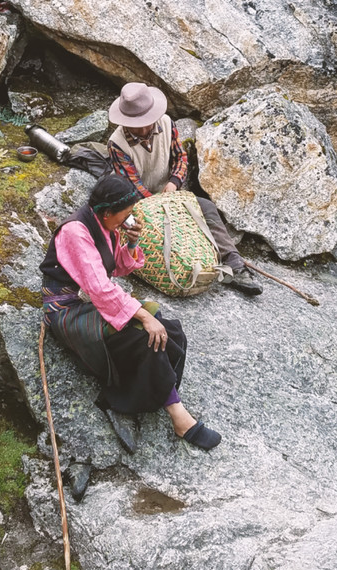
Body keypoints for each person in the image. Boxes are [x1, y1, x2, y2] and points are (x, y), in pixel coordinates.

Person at [39, 173, 222, 452]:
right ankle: (176, 415)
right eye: (124, 216)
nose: (128, 220)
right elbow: (100, 288)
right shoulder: (76, 232)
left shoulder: (105, 224)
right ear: (107, 211)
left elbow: (116, 268)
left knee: (169, 330)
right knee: (143, 338)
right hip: (68, 309)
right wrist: (142, 316)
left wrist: (131, 244)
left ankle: (161, 392)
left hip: (90, 302)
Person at [107, 82, 263, 296]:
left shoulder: (166, 123)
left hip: (171, 192)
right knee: (144, 232)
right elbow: (131, 185)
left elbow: (180, 157)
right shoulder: (117, 143)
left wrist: (173, 183)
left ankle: (235, 265)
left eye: (147, 123)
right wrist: (161, 207)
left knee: (206, 208)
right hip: (138, 203)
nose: (144, 129)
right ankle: (181, 269)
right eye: (137, 125)